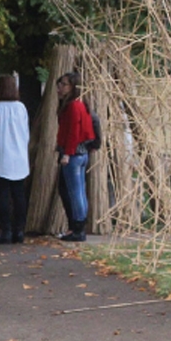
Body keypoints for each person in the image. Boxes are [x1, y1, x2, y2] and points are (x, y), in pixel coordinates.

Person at [0, 75, 30, 244]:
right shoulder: (21, 108)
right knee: (19, 196)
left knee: (3, 195)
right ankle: (20, 231)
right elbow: (26, 133)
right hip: (19, 157)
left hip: (1, 157)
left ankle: (6, 231)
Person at [55, 71, 95, 242]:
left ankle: (78, 229)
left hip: (74, 154)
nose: (60, 87)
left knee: (75, 191)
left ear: (73, 87)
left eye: (64, 84)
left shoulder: (73, 106)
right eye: (60, 84)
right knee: (75, 190)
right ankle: (76, 227)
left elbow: (73, 132)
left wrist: (67, 154)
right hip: (80, 153)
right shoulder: (79, 104)